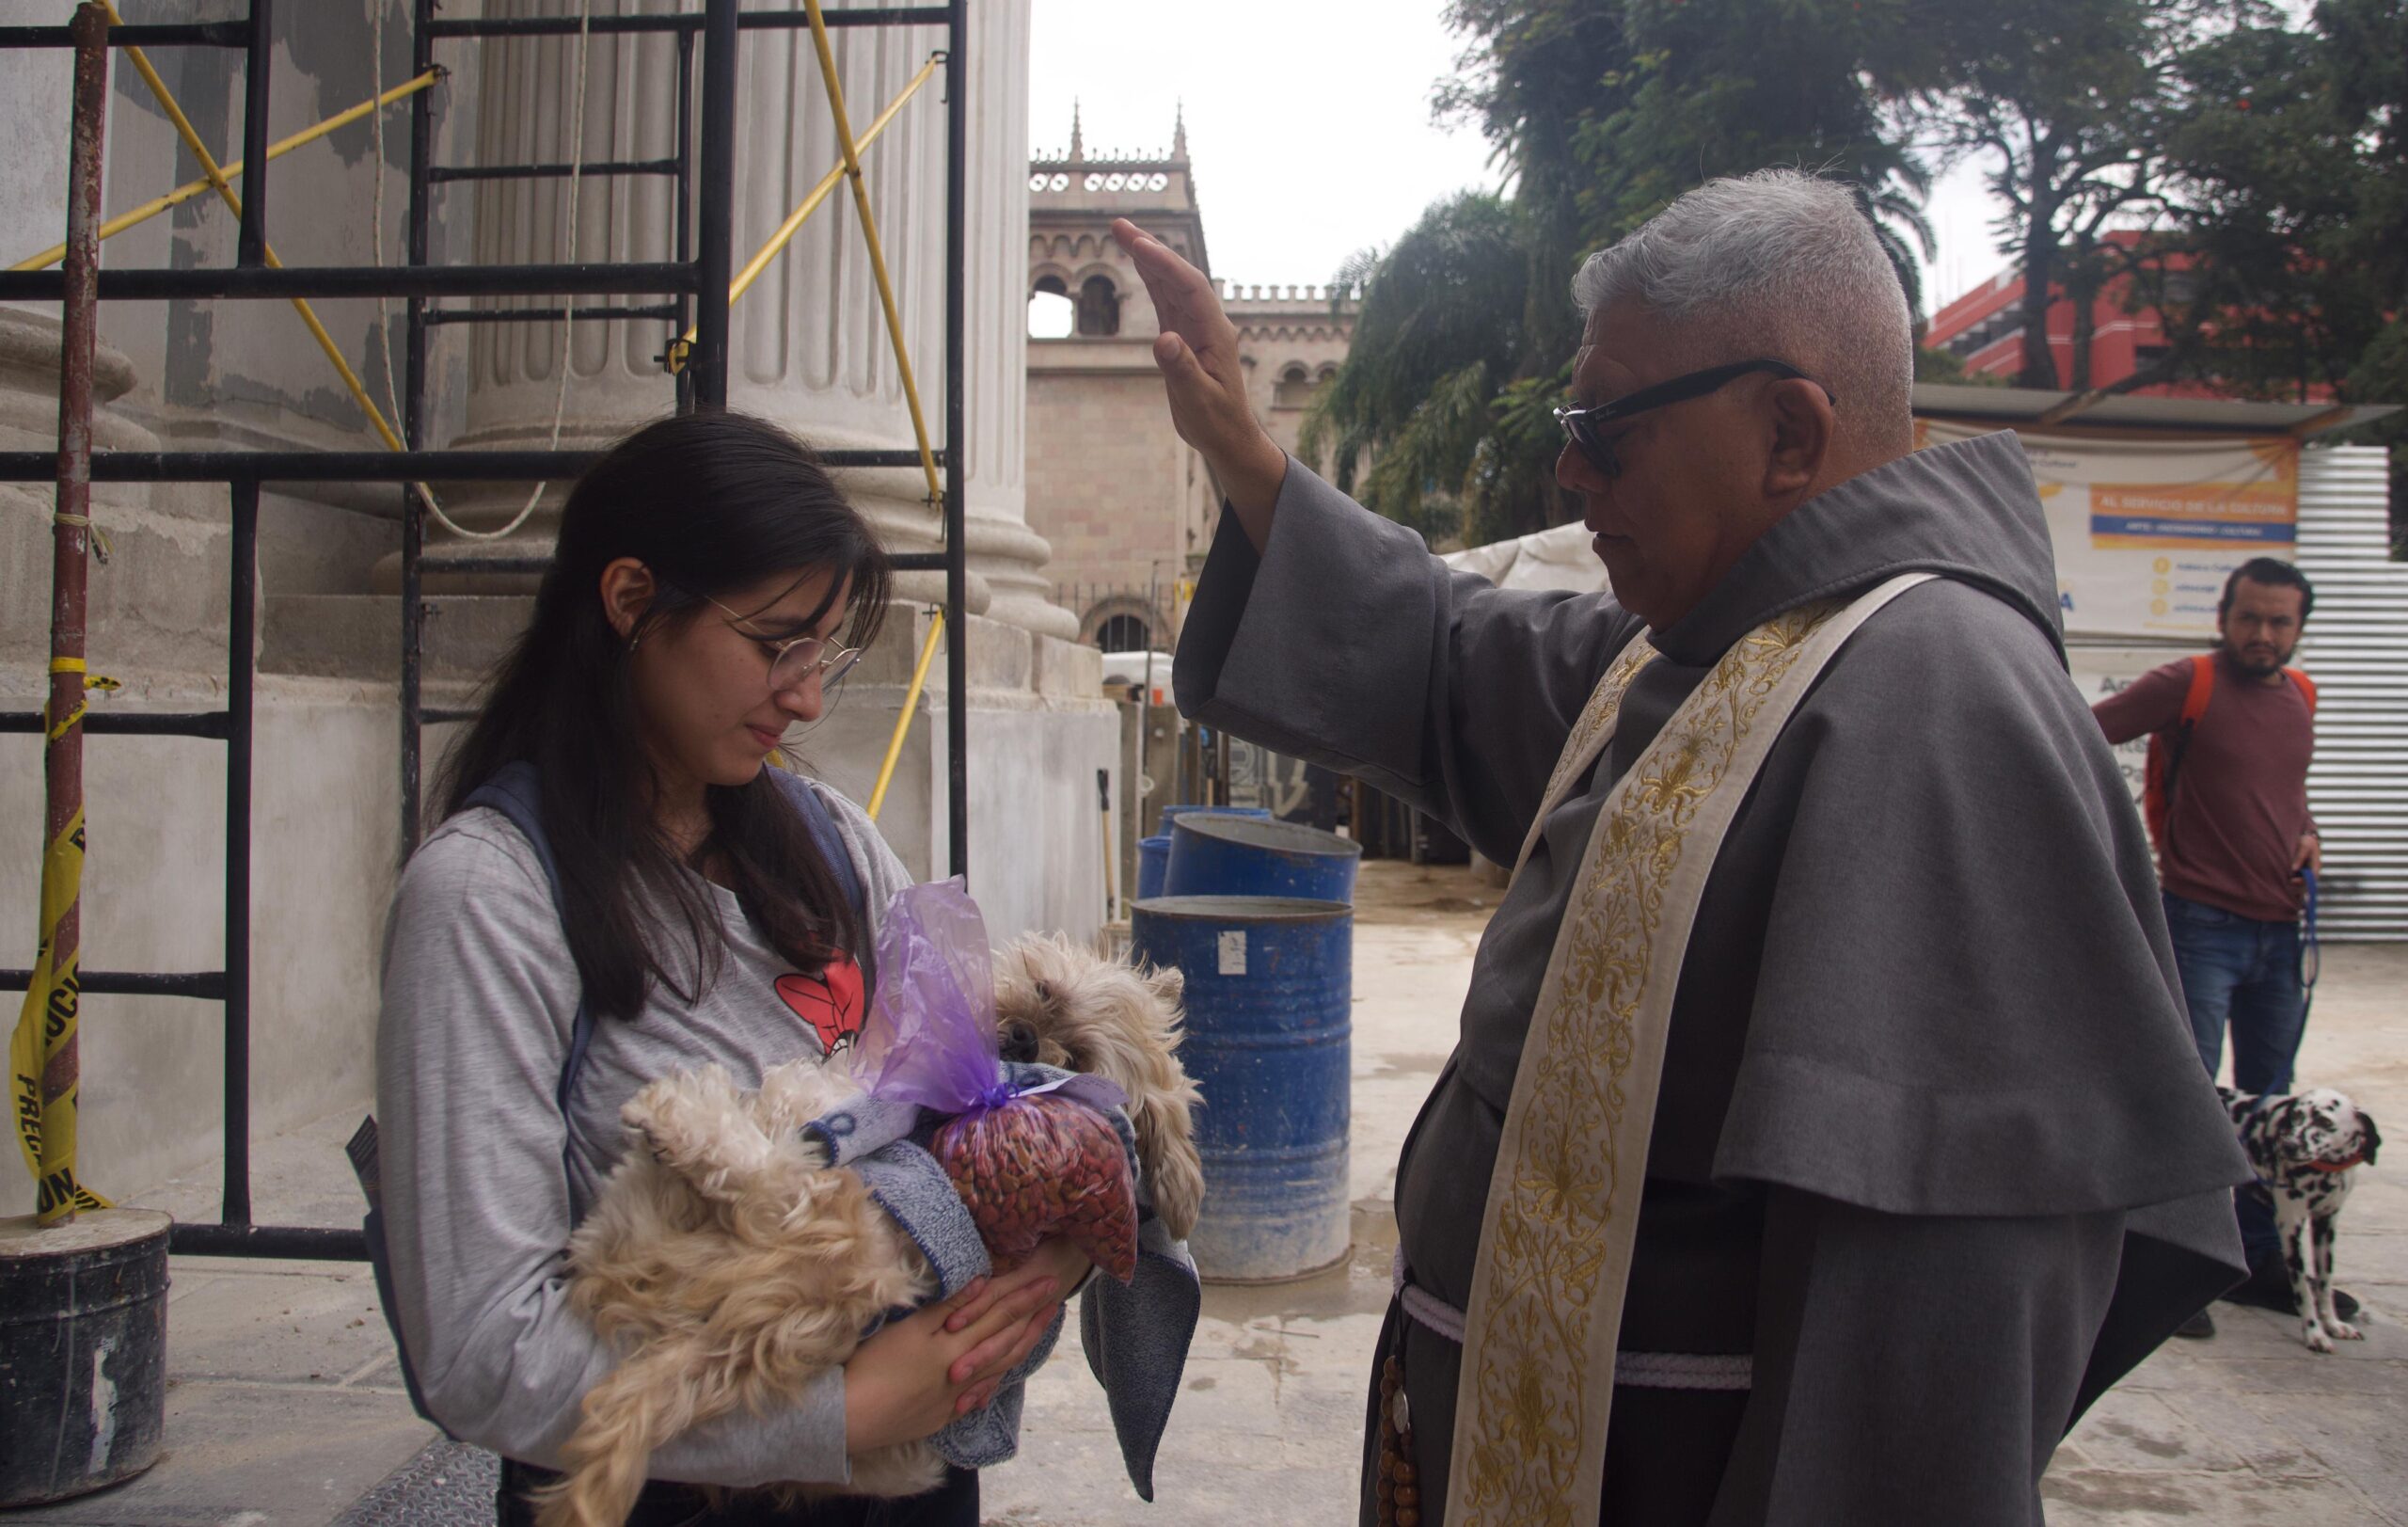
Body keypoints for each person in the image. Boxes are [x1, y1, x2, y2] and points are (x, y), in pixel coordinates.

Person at [1114, 169, 2253, 1527]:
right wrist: (1249, 457)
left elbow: (1916, 1369)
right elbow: (1446, 651)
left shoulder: (1934, 701)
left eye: (1608, 429)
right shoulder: (1712, 650)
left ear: (1787, 430)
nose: (1568, 469)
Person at [376, 414, 1090, 1527]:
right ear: (628, 602)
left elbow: (969, 1111)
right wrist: (836, 1415)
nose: (806, 696)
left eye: (823, 653)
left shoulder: (835, 843)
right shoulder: (490, 899)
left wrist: (1049, 1241)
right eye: (773, 644)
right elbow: (479, 1346)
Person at [2093, 557, 2336, 1335]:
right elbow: (2080, 736)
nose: (2263, 635)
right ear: (2224, 616)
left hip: (2280, 926)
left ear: (2299, 627)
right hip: (2200, 924)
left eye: (2280, 622)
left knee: (2274, 1102)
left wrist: (2307, 836)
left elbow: (2286, 795)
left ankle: (2258, 1264)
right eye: (2250, 618)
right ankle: (2173, 1270)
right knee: (2189, 1099)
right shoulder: (2186, 683)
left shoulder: (2302, 695)